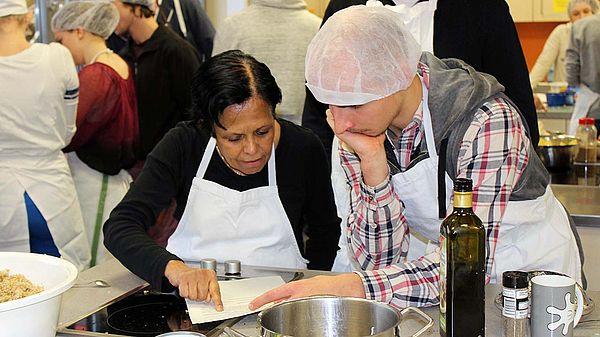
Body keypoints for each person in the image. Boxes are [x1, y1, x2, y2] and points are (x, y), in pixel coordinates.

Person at [250, 5, 583, 310]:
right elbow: (378, 263)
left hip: (530, 276)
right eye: (331, 104)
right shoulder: (358, 131)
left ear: (397, 77)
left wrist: (354, 286)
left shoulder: (485, 122)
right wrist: (374, 168)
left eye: (354, 103)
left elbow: (466, 268)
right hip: (441, 278)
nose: (341, 122)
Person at [103, 50, 340, 310]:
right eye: (234, 138)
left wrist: (308, 289)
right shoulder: (184, 144)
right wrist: (175, 270)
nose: (252, 149)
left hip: (281, 303)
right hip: (192, 305)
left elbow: (325, 232)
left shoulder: (303, 148)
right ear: (209, 127)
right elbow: (121, 226)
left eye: (263, 131)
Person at [302, 0, 539, 160]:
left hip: (466, 174)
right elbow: (318, 109)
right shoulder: (346, 7)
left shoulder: (479, 7)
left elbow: (517, 103)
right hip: (361, 169)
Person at [0, 0, 90, 270]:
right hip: (51, 191)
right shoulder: (56, 57)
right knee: (65, 285)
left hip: (4, 197)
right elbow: (66, 130)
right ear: (28, 16)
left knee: (13, 287)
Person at [51, 1, 139, 266]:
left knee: (92, 263)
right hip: (111, 180)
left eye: (61, 39)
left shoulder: (96, 74)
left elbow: (70, 132)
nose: (61, 48)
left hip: (97, 181)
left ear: (79, 31)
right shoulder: (116, 62)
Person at [113, 0, 199, 161]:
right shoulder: (125, 56)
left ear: (135, 7)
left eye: (114, 6)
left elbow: (196, 113)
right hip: (139, 163)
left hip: (173, 162)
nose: (109, 15)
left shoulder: (177, 52)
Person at [212, 0, 320, 125]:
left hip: (242, 130)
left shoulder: (232, 27)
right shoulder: (318, 27)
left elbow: (215, 88)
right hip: (306, 129)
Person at [530, 0, 598, 111]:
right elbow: (542, 65)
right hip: (566, 104)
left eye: (586, 11)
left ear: (594, 13)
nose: (582, 17)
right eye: (576, 14)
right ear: (570, 18)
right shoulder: (561, 33)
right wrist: (525, 94)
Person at [566, 13, 600, 134]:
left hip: (592, 109)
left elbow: (572, 67)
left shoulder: (581, 27)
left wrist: (576, 89)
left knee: (589, 151)